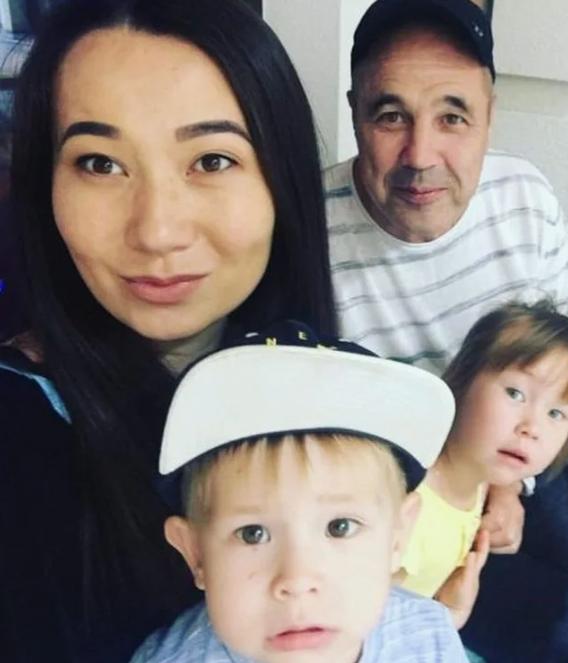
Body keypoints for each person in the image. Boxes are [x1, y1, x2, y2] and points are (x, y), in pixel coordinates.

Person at [325, 1, 568, 659]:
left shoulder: (526, 201)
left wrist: (508, 486)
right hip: (388, 517)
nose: (420, 155)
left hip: (521, 472)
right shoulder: (309, 238)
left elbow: (562, 377)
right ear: (354, 113)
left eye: (453, 117)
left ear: (489, 116)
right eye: (390, 115)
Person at [0, 1, 336, 661]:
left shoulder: (310, 376)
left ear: (282, 178)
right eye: (100, 164)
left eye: (210, 160)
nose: (156, 231)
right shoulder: (19, 437)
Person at [131, 321, 466, 663]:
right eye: (252, 533)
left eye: (340, 527)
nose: (297, 580)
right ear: (196, 553)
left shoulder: (428, 636)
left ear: (398, 536)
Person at [398, 301, 568, 630]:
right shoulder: (406, 502)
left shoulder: (475, 483)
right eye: (515, 393)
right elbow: (359, 635)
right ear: (461, 381)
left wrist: (448, 612)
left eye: (556, 413)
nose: (531, 427)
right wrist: (451, 617)